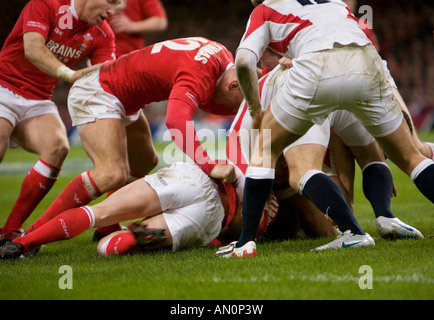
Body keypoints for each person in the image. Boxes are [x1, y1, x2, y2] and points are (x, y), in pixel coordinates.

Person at [218, 0, 434, 258]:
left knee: (269, 148)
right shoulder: (333, 2)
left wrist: (255, 111)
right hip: (366, 62)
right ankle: (385, 216)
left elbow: (243, 62)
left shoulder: (264, 10)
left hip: (317, 69)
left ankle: (247, 243)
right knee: (411, 158)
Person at [22, 37, 244, 237]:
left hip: (122, 96)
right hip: (100, 91)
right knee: (110, 174)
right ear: (233, 85)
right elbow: (175, 122)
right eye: (239, 103)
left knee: (145, 161)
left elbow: (208, 97)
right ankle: (31, 233)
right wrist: (208, 165)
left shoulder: (222, 55)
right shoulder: (200, 73)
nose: (235, 109)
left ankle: (107, 226)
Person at [0, 0, 120, 244]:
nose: (113, 11)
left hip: (38, 99)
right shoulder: (46, 3)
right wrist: (69, 74)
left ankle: (10, 230)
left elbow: (106, 75)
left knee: (58, 148)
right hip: (3, 85)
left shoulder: (103, 33)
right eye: (111, 2)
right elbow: (32, 48)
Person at [343, 0, 434, 160]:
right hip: (341, 93)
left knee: (413, 149)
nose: (346, 3)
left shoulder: (361, 25)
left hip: (370, 86)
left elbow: (376, 64)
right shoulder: (320, 25)